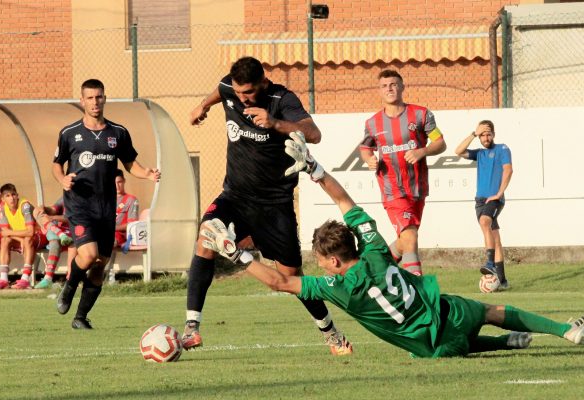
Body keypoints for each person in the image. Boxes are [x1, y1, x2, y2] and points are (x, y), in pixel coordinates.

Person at [200, 132, 584, 358]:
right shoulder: (374, 249)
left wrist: (236, 253)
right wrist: (314, 169)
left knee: (454, 341)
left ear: (334, 261)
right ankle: (563, 331)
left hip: (432, 349)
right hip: (449, 317)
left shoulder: (337, 290)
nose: (318, 267)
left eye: (319, 261)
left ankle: (502, 344)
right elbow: (345, 202)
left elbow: (279, 282)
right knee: (488, 309)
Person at [185, 56, 352, 355]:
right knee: (205, 237)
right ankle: (192, 328)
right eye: (238, 92)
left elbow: (314, 133)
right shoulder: (229, 88)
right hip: (234, 196)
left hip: (275, 205)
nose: (242, 97)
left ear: (262, 82)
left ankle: (330, 333)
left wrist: (275, 123)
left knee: (291, 278)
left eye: (248, 92)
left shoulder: (281, 98)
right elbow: (220, 90)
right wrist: (203, 106)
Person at [52, 78, 160, 329]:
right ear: (82, 101)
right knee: (87, 255)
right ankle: (68, 287)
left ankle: (80, 317)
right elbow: (57, 163)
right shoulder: (70, 133)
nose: (95, 102)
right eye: (89, 97)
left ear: (104, 98)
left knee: (100, 264)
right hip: (79, 204)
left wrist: (148, 174)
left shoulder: (118, 133)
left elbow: (131, 163)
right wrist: (63, 179)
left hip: (106, 207)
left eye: (98, 96)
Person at [359, 70, 447, 276]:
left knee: (404, 241)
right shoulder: (373, 123)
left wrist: (422, 151)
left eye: (393, 84)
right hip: (392, 190)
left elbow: (440, 142)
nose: (389, 88)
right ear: (379, 91)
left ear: (402, 87)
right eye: (384, 86)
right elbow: (365, 148)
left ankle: (373, 269)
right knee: (410, 237)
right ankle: (417, 287)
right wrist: (369, 160)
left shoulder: (420, 114)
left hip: (417, 189)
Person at [455, 120, 512, 290]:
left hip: (494, 199)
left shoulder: (502, 149)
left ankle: (490, 263)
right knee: (495, 237)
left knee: (485, 222)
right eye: (482, 135)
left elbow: (508, 170)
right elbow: (458, 151)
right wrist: (473, 133)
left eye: (488, 134)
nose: (486, 137)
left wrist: (499, 193)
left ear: (493, 134)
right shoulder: (479, 153)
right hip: (480, 200)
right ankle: (502, 281)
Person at [0, 183, 48, 290]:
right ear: (3, 198)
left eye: (13, 195)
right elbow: (4, 232)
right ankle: (3, 279)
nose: (12, 198)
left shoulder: (24, 205)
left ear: (17, 195)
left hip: (39, 236)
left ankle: (25, 279)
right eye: (7, 196)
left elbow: (31, 232)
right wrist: (19, 239)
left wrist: (15, 235)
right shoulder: (3, 207)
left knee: (26, 239)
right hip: (22, 237)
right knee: (5, 240)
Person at [32, 196, 74, 289]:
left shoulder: (84, 198)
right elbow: (54, 209)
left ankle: (70, 279)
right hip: (61, 232)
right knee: (37, 211)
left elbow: (73, 218)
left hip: (75, 231)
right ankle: (48, 278)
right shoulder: (66, 196)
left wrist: (51, 217)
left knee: (67, 242)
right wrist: (44, 208)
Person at [114, 168, 139, 248]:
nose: (117, 186)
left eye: (119, 182)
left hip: (120, 235)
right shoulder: (105, 199)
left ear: (124, 181)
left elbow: (132, 224)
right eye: (114, 183)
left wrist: (112, 228)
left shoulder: (131, 200)